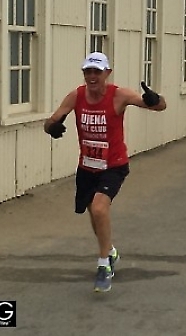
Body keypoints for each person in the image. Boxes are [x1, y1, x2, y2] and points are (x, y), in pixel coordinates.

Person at [43, 52, 166, 293]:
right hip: (87, 166)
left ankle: (103, 266)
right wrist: (52, 128)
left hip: (114, 165)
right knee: (94, 214)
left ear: (107, 73)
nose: (92, 76)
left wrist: (154, 99)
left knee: (100, 208)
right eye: (88, 71)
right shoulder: (76, 95)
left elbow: (159, 106)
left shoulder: (119, 95)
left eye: (97, 72)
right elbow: (51, 120)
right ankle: (110, 251)